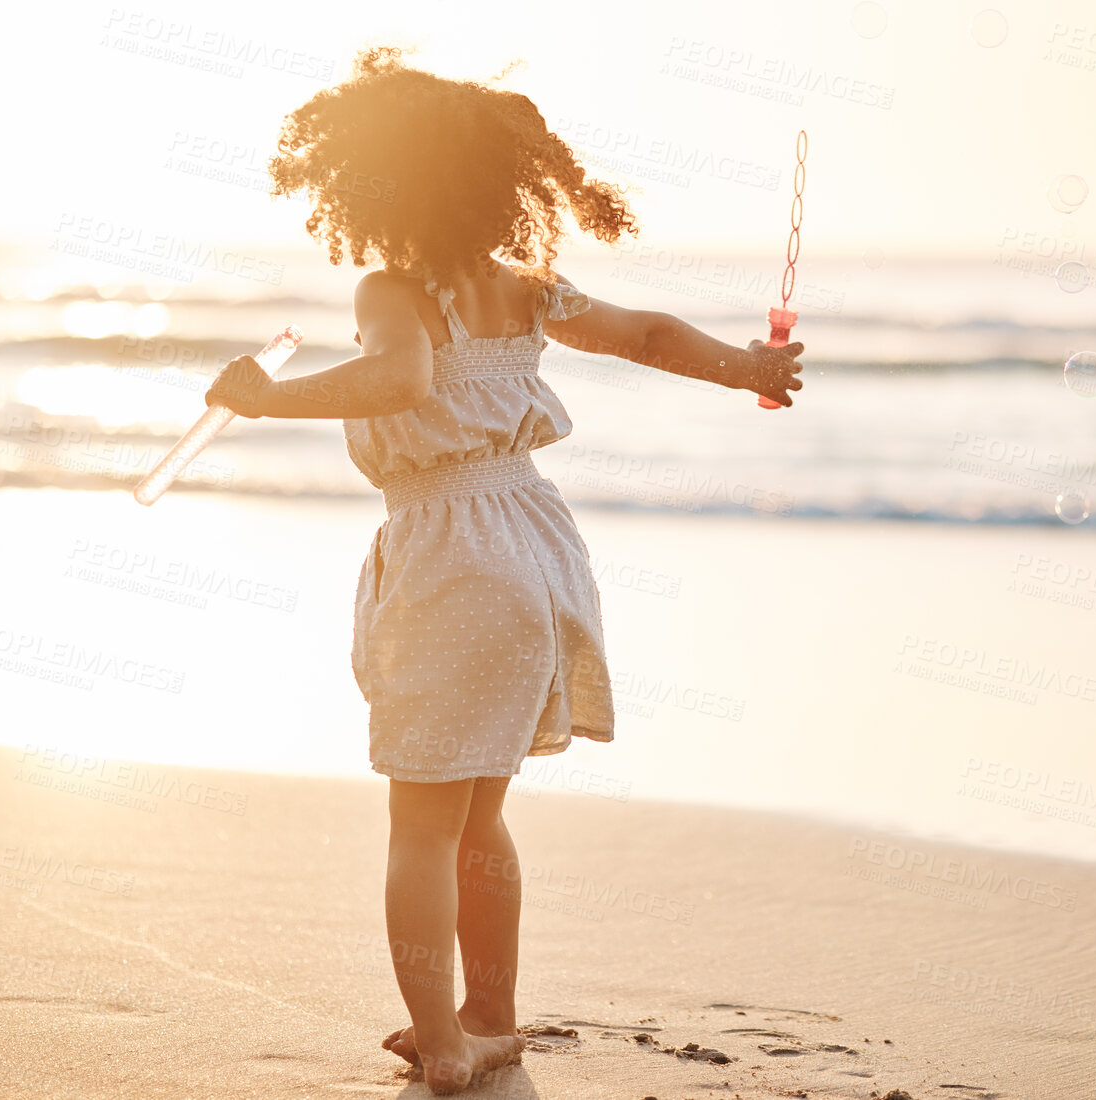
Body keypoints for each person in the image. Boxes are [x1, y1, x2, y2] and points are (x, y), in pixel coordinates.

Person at [205, 46, 804, 1093]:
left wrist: (264, 398)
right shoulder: (527, 287)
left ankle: (440, 1037)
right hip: (535, 543)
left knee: (420, 822)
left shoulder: (395, 288)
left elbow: (398, 378)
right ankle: (490, 1014)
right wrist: (747, 368)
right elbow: (652, 334)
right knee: (479, 814)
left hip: (450, 555)